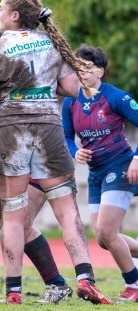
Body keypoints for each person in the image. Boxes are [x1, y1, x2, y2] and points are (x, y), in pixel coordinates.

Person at [0, 0, 111, 304]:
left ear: (14, 15)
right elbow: (72, 89)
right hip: (49, 130)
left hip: (12, 132)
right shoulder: (51, 44)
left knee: (12, 216)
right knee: (66, 211)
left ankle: (13, 291)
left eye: (1, 8)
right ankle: (85, 278)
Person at [0, 30, 71, 303]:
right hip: (5, 163)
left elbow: (1, 143)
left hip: (34, 160)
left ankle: (57, 284)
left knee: (19, 225)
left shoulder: (15, 87)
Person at [62, 44, 138, 302]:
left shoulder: (116, 97)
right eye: (78, 68)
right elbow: (67, 137)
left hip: (120, 167)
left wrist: (136, 158)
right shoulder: (70, 101)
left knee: (107, 232)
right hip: (95, 173)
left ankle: (134, 285)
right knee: (105, 239)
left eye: (88, 69)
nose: (82, 73)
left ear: (101, 72)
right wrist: (75, 152)